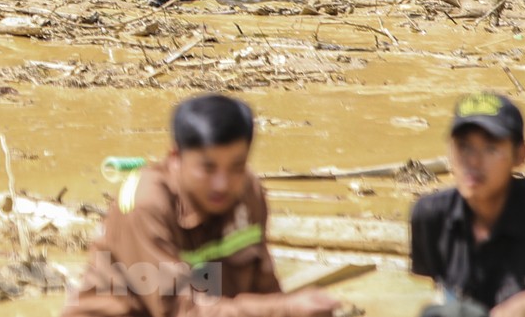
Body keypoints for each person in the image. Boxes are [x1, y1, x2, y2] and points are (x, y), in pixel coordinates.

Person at [61, 93, 340, 317]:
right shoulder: (145, 204)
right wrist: (287, 309)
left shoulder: (248, 191)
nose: (222, 184)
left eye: (236, 166)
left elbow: (265, 289)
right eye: (207, 168)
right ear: (175, 157)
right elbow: (180, 311)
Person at [410, 93, 525, 317]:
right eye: (464, 147)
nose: (473, 162)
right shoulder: (430, 213)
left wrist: (523, 307)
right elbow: (421, 290)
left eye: (490, 149)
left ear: (520, 155)